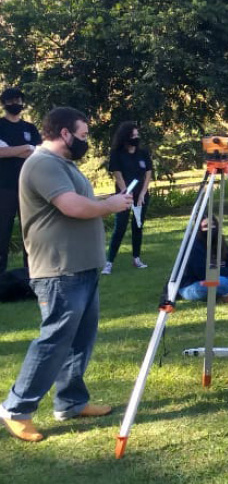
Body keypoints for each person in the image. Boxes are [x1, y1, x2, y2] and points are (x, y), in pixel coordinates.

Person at [0, 107, 132, 442]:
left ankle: (71, 402)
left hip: (82, 267)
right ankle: (16, 409)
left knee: (80, 340)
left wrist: (108, 199)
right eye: (83, 135)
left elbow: (82, 202)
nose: (86, 141)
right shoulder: (43, 163)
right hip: (58, 270)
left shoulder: (65, 166)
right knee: (54, 341)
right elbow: (72, 207)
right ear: (64, 133)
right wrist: (111, 205)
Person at [102, 121, 153, 274]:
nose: (136, 138)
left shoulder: (143, 153)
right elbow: (118, 175)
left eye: (137, 135)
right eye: (133, 136)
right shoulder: (117, 154)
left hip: (141, 196)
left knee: (138, 225)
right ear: (125, 137)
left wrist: (143, 194)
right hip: (124, 195)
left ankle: (136, 258)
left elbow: (148, 173)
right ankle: (109, 262)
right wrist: (126, 193)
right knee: (120, 227)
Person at [0, 87, 42, 273]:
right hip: (4, 187)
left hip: (28, 187)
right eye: (11, 101)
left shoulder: (30, 128)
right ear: (4, 104)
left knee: (30, 231)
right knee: (3, 231)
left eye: (18, 100)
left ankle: (31, 274)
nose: (15, 104)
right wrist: (25, 147)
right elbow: (1, 152)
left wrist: (12, 150)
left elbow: (39, 153)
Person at [177, 216, 228, 304]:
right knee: (221, 282)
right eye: (206, 226)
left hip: (219, 279)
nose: (211, 228)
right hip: (195, 285)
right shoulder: (193, 246)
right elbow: (202, 273)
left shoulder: (220, 242)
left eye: (213, 225)